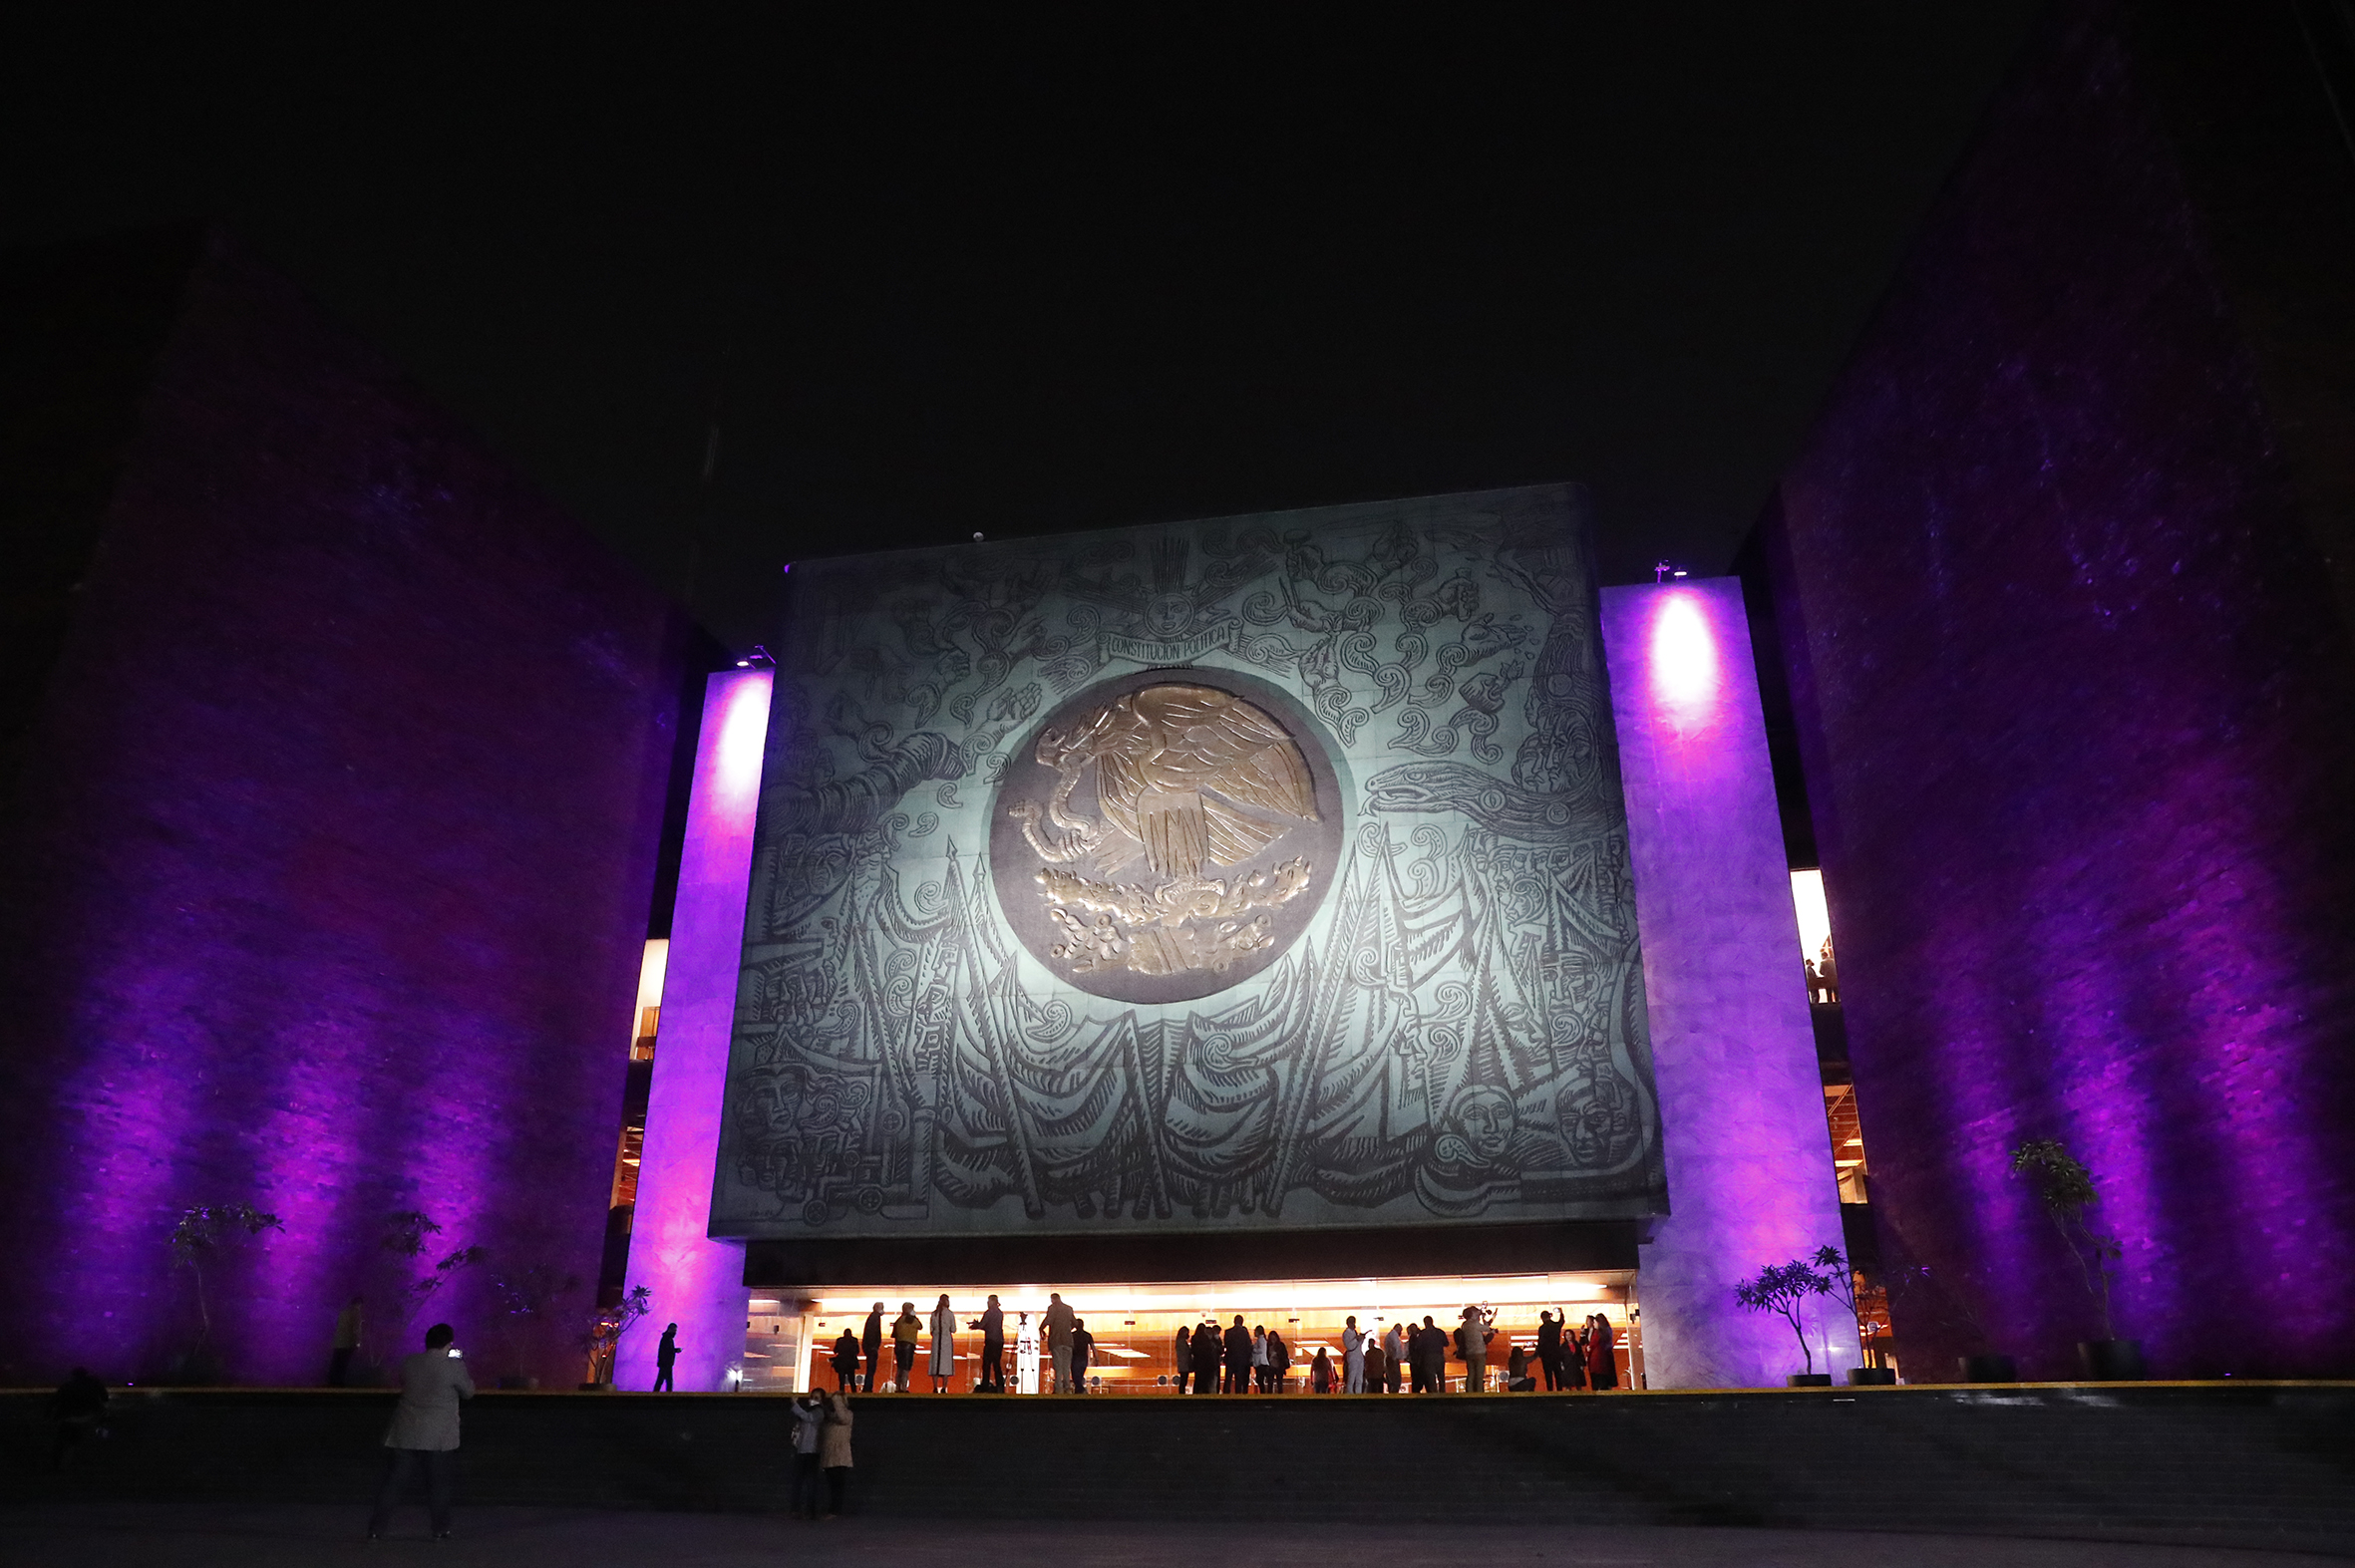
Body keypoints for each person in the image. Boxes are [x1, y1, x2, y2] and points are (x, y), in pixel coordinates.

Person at [367, 1323, 475, 1542]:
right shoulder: (453, 1366)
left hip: (405, 1431)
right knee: (438, 1485)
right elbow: (469, 1392)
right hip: (438, 1436)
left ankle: (376, 1529)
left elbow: (403, 1381)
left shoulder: (410, 1362)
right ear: (448, 1344)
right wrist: (460, 1366)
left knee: (393, 1483)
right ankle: (440, 1529)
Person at [51, 1367, 109, 1469]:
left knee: (66, 1443)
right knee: (87, 1442)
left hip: (68, 1418)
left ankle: (62, 1464)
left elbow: (55, 1401)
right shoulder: (93, 1384)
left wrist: (51, 1416)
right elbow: (105, 1398)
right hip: (90, 1417)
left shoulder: (67, 1386)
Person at [819, 1389, 854, 1519]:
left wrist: (837, 1400)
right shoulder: (830, 1418)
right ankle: (832, 1509)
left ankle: (835, 1510)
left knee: (837, 1485)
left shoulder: (847, 1415)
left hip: (840, 1456)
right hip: (830, 1455)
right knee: (832, 1485)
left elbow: (842, 1417)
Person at [789, 1393, 825, 1519]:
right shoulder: (810, 1411)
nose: (813, 1400)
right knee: (799, 1481)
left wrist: (795, 1405)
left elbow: (808, 1417)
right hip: (802, 1450)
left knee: (810, 1483)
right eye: (812, 1397)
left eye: (817, 1398)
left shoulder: (819, 1412)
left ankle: (810, 1510)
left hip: (811, 1451)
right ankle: (798, 1509)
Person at [1042, 1292, 1077, 1394]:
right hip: (1068, 1341)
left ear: (1052, 1299)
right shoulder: (1068, 1309)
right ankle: (1067, 1387)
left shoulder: (1052, 1308)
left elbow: (1048, 1320)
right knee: (1066, 1366)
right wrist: (1067, 1329)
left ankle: (1058, 1388)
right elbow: (1075, 1323)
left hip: (1056, 1340)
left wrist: (1041, 1328)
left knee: (1058, 1366)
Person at [970, 1294, 1005, 1393]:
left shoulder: (988, 1313)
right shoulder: (1000, 1313)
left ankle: (985, 1384)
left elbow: (983, 1325)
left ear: (993, 1302)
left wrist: (976, 1325)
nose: (987, 1303)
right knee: (996, 1364)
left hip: (990, 1340)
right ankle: (1000, 1384)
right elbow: (991, 1326)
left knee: (987, 1363)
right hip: (999, 1341)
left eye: (989, 1301)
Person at [329, 1295, 365, 1387]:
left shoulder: (343, 1312)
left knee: (336, 1362)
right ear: (359, 1304)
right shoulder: (356, 1313)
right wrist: (358, 1343)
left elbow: (338, 1325)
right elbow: (356, 1330)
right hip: (347, 1342)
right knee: (344, 1363)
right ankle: (340, 1382)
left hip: (338, 1341)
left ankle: (332, 1381)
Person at [1460, 1306, 1493, 1393]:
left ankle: (1469, 1392)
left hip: (1469, 1352)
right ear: (1472, 1314)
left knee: (1471, 1374)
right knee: (1479, 1375)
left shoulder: (1465, 1325)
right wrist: (1484, 1319)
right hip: (1479, 1352)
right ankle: (1479, 1393)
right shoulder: (1475, 1324)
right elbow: (1487, 1328)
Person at [928, 1294, 956, 1393]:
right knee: (946, 1364)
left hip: (936, 1340)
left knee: (935, 1362)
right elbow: (953, 1329)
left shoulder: (934, 1314)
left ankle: (935, 1387)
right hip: (946, 1341)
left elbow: (931, 1330)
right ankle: (944, 1387)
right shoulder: (950, 1314)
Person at [891, 1302, 921, 1393]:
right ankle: (903, 1387)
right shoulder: (913, 1320)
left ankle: (898, 1387)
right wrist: (914, 1316)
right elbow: (920, 1326)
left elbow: (895, 1333)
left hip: (899, 1345)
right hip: (909, 1345)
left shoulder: (899, 1320)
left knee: (900, 1367)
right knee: (906, 1367)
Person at [1221, 1314, 1252, 1394]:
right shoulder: (1244, 1332)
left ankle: (1225, 1395)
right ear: (1242, 1322)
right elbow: (1248, 1345)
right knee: (1238, 1379)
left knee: (1228, 1378)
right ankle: (1237, 1395)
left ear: (1234, 1321)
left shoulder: (1228, 1332)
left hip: (1230, 1358)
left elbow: (1227, 1345)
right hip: (1241, 1359)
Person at [1410, 1316, 1441, 1394]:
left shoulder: (1421, 1335)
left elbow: (1416, 1348)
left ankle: (1432, 1393)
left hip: (1422, 1361)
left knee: (1426, 1380)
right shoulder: (1438, 1332)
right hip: (1432, 1358)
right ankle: (1437, 1394)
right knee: (1436, 1378)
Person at [1588, 1314, 1618, 1392]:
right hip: (1607, 1360)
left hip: (1597, 1361)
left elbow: (1592, 1344)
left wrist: (1588, 1348)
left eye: (1594, 1322)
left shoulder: (1597, 1332)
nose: (1593, 1324)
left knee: (1599, 1380)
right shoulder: (1608, 1331)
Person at [859, 1303, 885, 1395]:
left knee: (870, 1368)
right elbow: (873, 1333)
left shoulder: (872, 1317)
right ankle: (868, 1387)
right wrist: (874, 1346)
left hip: (870, 1347)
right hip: (871, 1347)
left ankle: (868, 1387)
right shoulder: (875, 1318)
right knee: (871, 1368)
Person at [1190, 1321, 1220, 1395]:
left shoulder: (1195, 1338)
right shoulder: (1206, 1339)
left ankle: (1197, 1393)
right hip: (1207, 1363)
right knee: (1206, 1381)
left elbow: (1193, 1350)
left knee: (1198, 1380)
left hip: (1198, 1362)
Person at [1535, 1312, 1562, 1392]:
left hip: (1546, 1356)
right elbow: (1561, 1321)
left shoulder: (1542, 1328)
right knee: (1558, 1374)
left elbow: (1541, 1342)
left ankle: (1550, 1392)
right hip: (1556, 1354)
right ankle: (1560, 1392)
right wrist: (1561, 1313)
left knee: (1548, 1376)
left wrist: (1539, 1353)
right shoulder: (1555, 1325)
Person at [1339, 1315, 1365, 1393]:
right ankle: (1350, 1393)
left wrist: (1361, 1339)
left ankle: (1358, 1393)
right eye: (1352, 1322)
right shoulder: (1346, 1333)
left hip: (1359, 1355)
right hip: (1353, 1356)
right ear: (1348, 1323)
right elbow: (1349, 1346)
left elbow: (1358, 1344)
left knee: (1359, 1378)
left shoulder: (1354, 1332)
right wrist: (1356, 1339)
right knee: (1352, 1376)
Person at [831, 1328, 860, 1392]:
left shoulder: (840, 1340)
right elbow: (857, 1351)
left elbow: (835, 1350)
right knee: (852, 1380)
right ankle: (854, 1393)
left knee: (842, 1380)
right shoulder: (854, 1340)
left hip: (842, 1362)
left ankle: (842, 1393)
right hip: (851, 1363)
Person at [1069, 1318, 1094, 1395]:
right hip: (1083, 1359)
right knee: (1079, 1376)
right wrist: (1096, 1358)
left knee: (1076, 1377)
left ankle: (1080, 1391)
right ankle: (1080, 1391)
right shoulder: (1087, 1335)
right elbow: (1093, 1347)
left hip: (1074, 1358)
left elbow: (1068, 1347)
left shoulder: (1072, 1335)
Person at [653, 1322, 680, 1393]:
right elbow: (667, 1350)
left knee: (661, 1380)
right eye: (674, 1330)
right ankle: (667, 1395)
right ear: (670, 1329)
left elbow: (666, 1350)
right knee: (668, 1381)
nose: (675, 1332)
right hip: (666, 1363)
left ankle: (655, 1394)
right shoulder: (667, 1338)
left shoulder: (666, 1338)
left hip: (664, 1363)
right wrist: (676, 1350)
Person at [1383, 1321, 1406, 1394]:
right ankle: (1394, 1394)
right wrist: (1397, 1357)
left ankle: (1392, 1393)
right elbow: (1396, 1347)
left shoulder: (1390, 1335)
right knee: (1396, 1379)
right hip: (1393, 1360)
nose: (1401, 1333)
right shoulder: (1394, 1335)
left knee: (1391, 1379)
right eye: (1400, 1330)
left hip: (1390, 1359)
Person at [1266, 1327, 1290, 1393]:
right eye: (1271, 1339)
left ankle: (1279, 1395)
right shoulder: (1268, 1346)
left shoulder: (1280, 1345)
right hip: (1271, 1367)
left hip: (1279, 1366)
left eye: (1274, 1338)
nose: (1273, 1340)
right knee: (1270, 1384)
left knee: (1279, 1383)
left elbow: (1284, 1355)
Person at [1173, 1324, 1193, 1390]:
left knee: (1183, 1381)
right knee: (1183, 1381)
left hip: (1183, 1364)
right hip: (1184, 1364)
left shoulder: (1181, 1341)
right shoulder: (1181, 1342)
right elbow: (1186, 1351)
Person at [1250, 1325, 1269, 1392]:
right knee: (1260, 1380)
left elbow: (1261, 1350)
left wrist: (1253, 1349)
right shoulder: (1261, 1340)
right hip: (1260, 1362)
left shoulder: (1261, 1340)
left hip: (1261, 1363)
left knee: (1260, 1380)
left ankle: (1263, 1392)